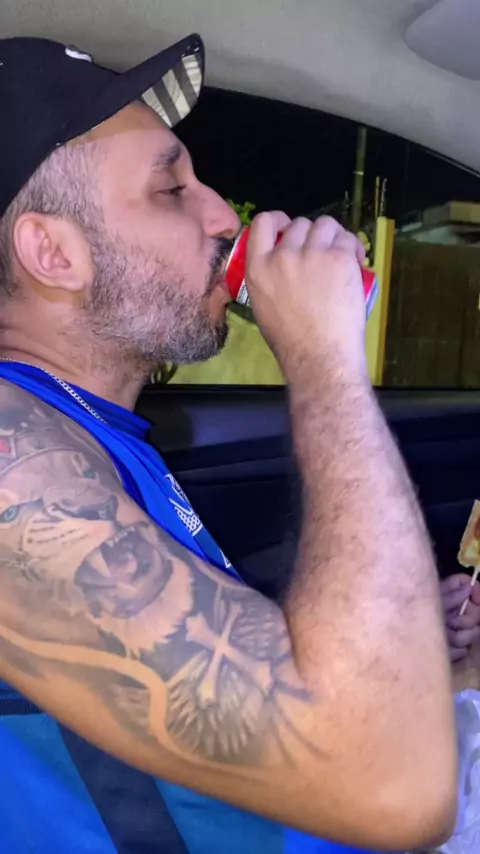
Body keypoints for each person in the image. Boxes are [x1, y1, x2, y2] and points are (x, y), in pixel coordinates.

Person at [0, 33, 459, 854]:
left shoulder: (88, 433)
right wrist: (324, 358)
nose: (222, 216)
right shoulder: (12, 458)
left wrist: (425, 660)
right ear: (52, 254)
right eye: (172, 189)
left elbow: (264, 699)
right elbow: (396, 788)